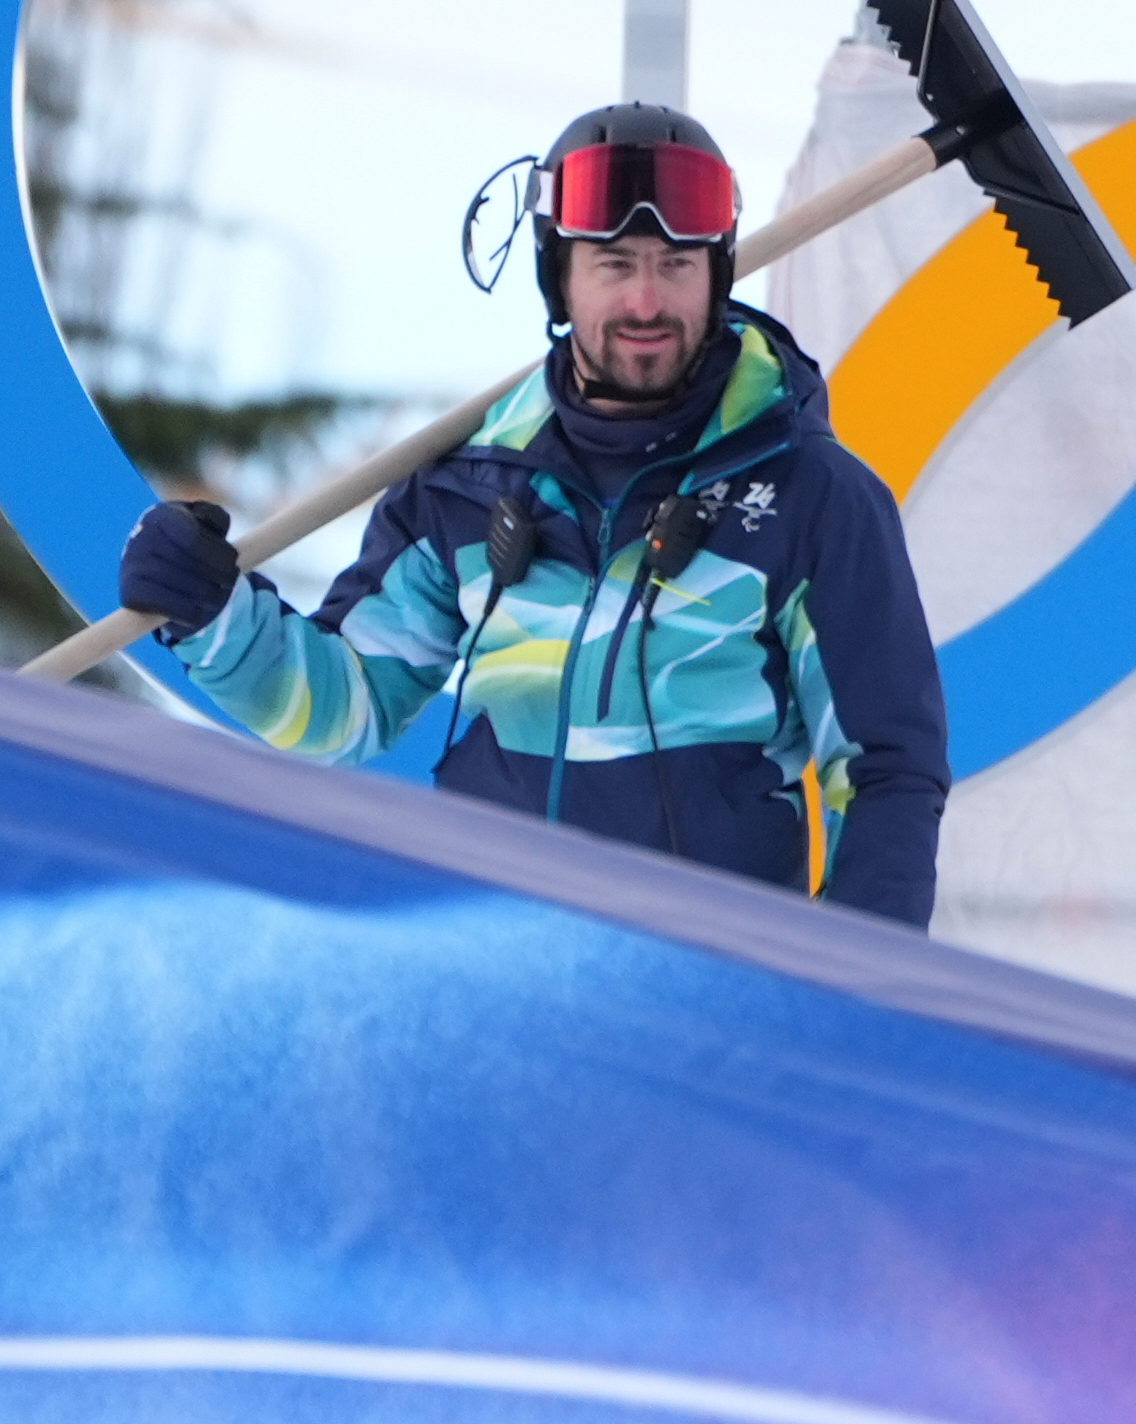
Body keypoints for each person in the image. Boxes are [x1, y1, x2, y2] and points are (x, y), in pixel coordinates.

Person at [110, 103, 952, 925]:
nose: (648, 303)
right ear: (561, 275)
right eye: (615, 265)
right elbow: (343, 711)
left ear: (718, 272)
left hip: (704, 987)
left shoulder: (811, 498)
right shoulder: (466, 488)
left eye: (676, 264)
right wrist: (218, 621)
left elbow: (883, 770)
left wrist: (850, 998)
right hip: (482, 970)